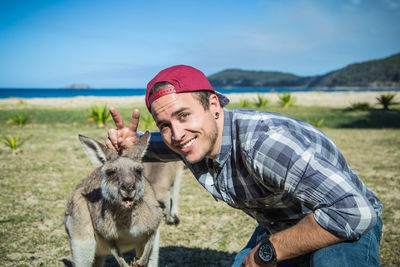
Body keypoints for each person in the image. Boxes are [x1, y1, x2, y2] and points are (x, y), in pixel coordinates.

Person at [106, 65, 383, 266]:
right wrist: (128, 145)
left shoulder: (264, 145)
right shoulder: (189, 141)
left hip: (337, 219)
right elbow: (158, 145)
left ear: (214, 105)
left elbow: (354, 212)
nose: (177, 134)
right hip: (281, 224)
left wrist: (270, 250)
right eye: (165, 125)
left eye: (184, 115)